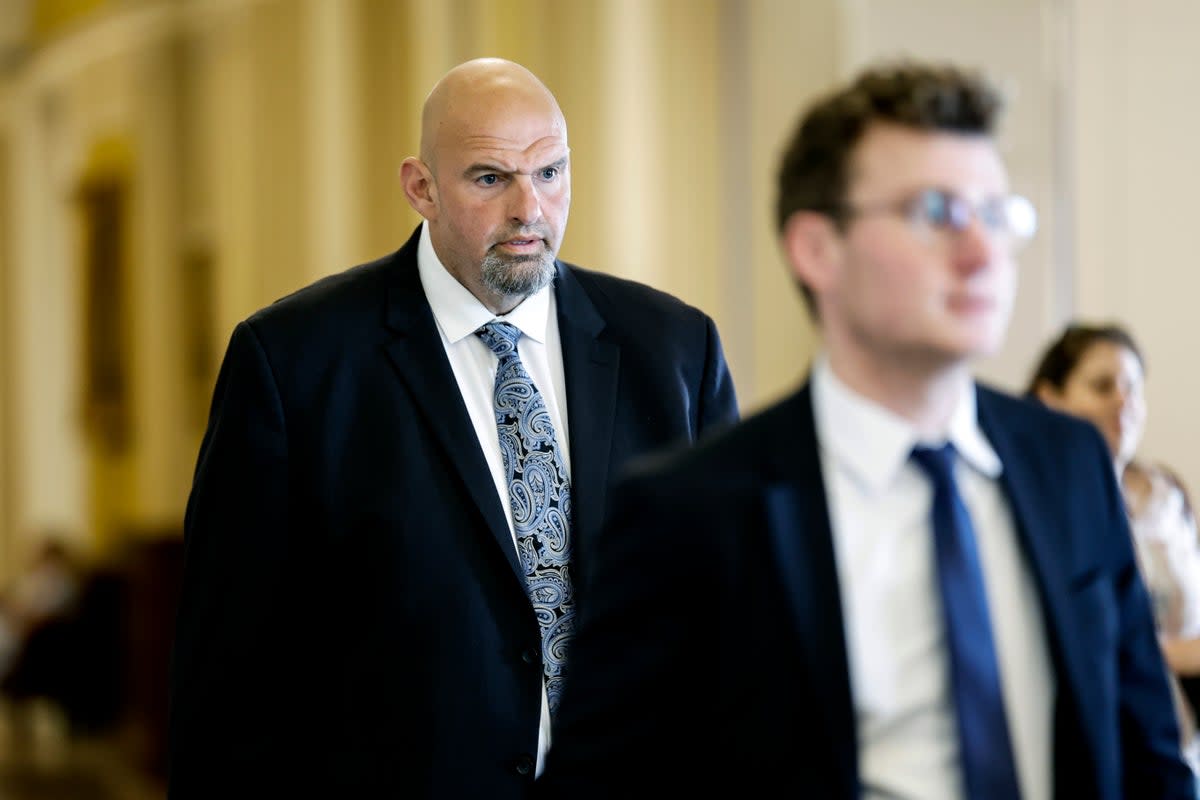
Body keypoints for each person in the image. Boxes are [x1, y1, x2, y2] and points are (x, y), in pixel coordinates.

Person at [536, 61, 1193, 799]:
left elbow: (1149, 761)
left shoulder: (1068, 463)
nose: (983, 254)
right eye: (937, 214)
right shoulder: (692, 511)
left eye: (998, 214)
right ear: (817, 249)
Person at [166, 57, 738, 799]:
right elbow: (228, 676)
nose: (530, 209)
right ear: (421, 188)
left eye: (551, 173)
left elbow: (736, 623)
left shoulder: (674, 350)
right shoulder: (295, 365)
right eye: (491, 178)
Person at [1028, 321, 1200, 770]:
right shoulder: (1034, 506)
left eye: (1133, 387)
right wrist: (1170, 654)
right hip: (1097, 749)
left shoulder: (1166, 495)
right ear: (1050, 398)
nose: (1124, 402)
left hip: (1180, 744)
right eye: (1103, 387)